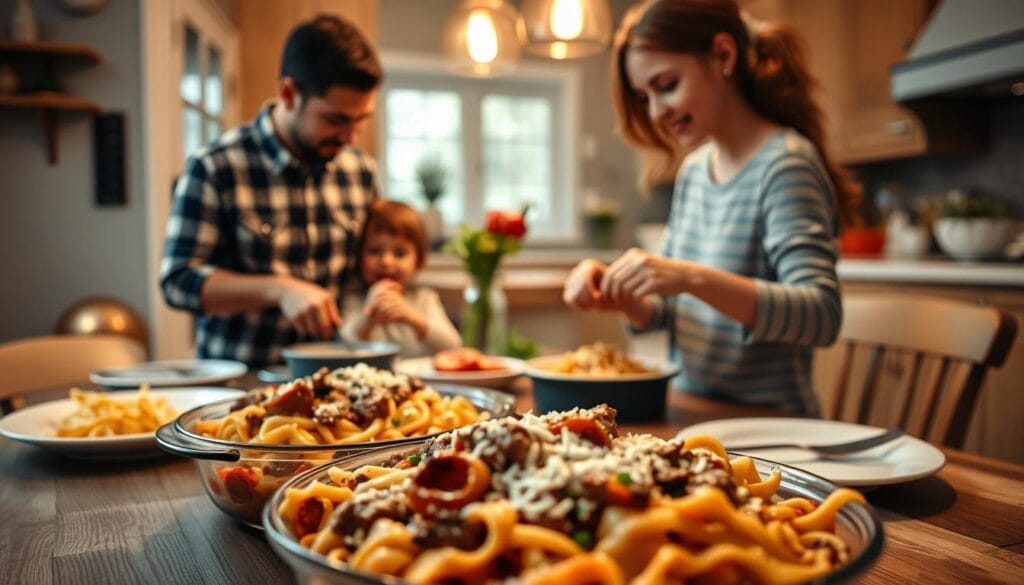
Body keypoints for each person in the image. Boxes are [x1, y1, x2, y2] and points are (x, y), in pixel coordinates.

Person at [563, 0, 861, 415]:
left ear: (723, 55)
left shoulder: (785, 164)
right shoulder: (695, 172)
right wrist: (622, 294)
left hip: (772, 427)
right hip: (696, 412)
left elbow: (820, 315)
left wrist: (688, 276)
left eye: (666, 85)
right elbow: (666, 310)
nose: (656, 112)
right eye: (645, 96)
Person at [160, 15, 382, 367]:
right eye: (336, 120)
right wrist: (279, 289)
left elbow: (366, 272)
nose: (350, 137)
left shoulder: (361, 172)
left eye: (361, 120)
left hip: (337, 384)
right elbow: (178, 282)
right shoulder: (215, 166)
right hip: (238, 387)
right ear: (289, 93)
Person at [339, 200, 462, 357]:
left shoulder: (424, 299)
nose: (386, 261)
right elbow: (346, 343)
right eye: (375, 251)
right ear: (359, 257)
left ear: (418, 261)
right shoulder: (355, 298)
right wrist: (368, 315)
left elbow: (453, 346)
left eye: (400, 253)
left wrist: (413, 318)